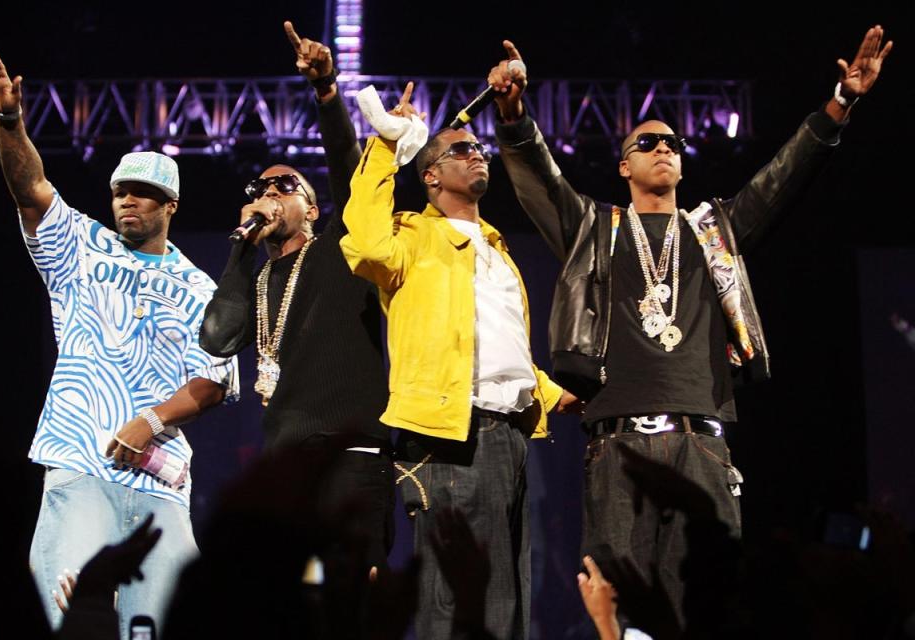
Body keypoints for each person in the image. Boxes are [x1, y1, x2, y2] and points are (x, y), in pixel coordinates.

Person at [489, 26, 892, 630]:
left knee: (708, 603)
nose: (665, 148)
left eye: (673, 142)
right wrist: (515, 116)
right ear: (624, 165)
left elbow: (780, 178)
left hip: (702, 442)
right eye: (649, 141)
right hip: (618, 445)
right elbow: (541, 180)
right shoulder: (596, 229)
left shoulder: (714, 231)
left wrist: (840, 103)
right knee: (623, 608)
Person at [0, 52, 239, 638]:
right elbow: (30, 188)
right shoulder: (82, 247)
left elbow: (215, 379)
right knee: (69, 619)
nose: (127, 202)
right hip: (79, 463)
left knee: (162, 627)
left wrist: (151, 419)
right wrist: (11, 121)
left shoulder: (200, 287)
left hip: (160, 484)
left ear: (170, 206)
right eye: (120, 192)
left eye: (143, 193)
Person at [340, 84, 577, 640]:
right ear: (430, 175)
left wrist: (547, 391)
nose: (478, 155)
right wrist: (384, 146)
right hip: (449, 434)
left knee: (504, 601)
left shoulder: (495, 248)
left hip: (508, 436)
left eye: (480, 150)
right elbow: (366, 244)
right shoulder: (412, 236)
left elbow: (495, 345)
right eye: (462, 150)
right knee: (454, 603)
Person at [198, 21, 395, 632]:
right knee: (285, 615)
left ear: (310, 208)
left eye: (285, 185)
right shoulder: (255, 280)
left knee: (349, 611)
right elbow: (216, 337)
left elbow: (345, 169)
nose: (268, 193)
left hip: (351, 461)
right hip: (286, 468)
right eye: (259, 187)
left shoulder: (339, 247)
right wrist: (239, 245)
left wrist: (328, 93)